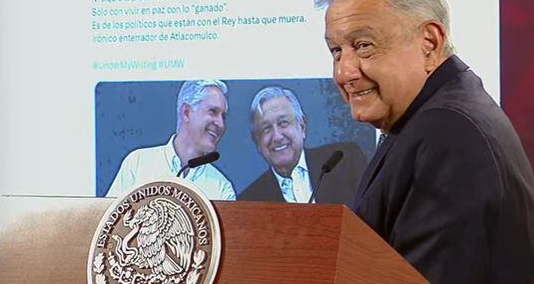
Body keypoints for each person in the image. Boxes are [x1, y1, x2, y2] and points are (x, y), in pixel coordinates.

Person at [316, 0, 534, 284]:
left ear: (429, 42)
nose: (344, 72)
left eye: (364, 46)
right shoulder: (431, 118)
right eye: (336, 51)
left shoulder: (449, 133)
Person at [107, 80, 236, 200]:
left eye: (223, 116)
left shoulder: (221, 188)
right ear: (186, 112)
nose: (221, 124)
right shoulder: (137, 164)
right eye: (213, 111)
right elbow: (109, 215)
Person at [238, 85, 367, 203]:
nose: (277, 137)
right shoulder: (249, 201)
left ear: (302, 126)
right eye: (266, 129)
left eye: (283, 123)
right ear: (257, 141)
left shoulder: (345, 161)